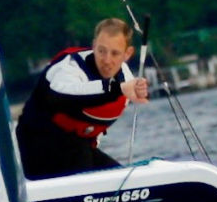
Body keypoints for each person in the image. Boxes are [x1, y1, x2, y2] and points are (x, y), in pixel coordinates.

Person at [16, 17, 149, 178]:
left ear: (127, 54)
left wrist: (134, 90)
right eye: (101, 51)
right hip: (38, 149)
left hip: (79, 148)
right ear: (94, 45)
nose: (107, 60)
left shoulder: (125, 77)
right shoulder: (69, 68)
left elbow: (96, 122)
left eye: (115, 53)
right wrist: (117, 89)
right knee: (81, 158)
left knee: (123, 177)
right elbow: (66, 95)